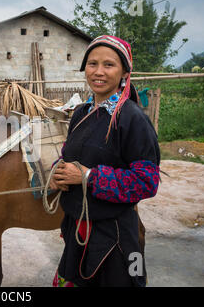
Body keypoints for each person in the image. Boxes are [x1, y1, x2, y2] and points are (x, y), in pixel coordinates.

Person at [49, 35, 160, 287]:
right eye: (92, 64)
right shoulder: (81, 113)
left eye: (109, 65)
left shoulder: (133, 119)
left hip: (115, 236)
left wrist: (88, 177)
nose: (98, 72)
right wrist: (60, 172)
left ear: (124, 72)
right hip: (77, 230)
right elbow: (69, 153)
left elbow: (147, 182)